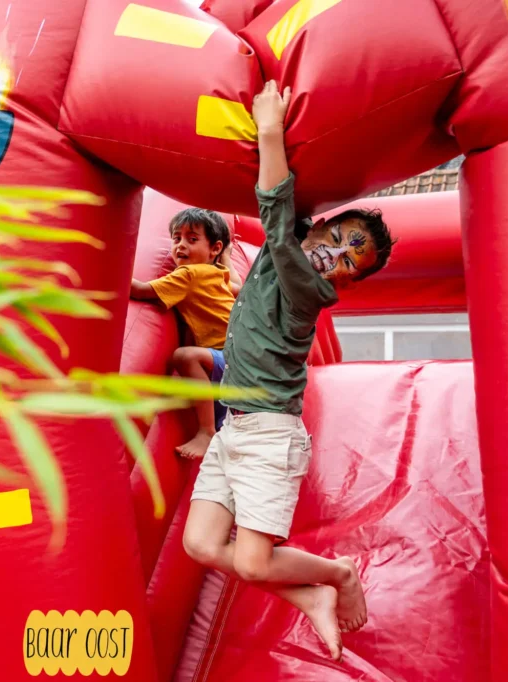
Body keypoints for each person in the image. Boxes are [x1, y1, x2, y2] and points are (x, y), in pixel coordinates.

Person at [182, 80, 396, 662]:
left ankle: (338, 574)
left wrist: (271, 129)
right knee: (200, 544)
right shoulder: (297, 249)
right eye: (343, 239)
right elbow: (289, 220)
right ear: (323, 228)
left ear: (344, 282)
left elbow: (276, 215)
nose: (341, 255)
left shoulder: (309, 289)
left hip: (270, 434)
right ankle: (305, 594)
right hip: (234, 430)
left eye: (353, 261)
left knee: (251, 561)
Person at [130, 208, 242, 458]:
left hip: (234, 360)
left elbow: (140, 290)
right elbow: (238, 286)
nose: (181, 245)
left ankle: (206, 431)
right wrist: (226, 257)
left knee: (185, 356)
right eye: (176, 238)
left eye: (192, 240)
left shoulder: (189, 274)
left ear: (213, 249)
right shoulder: (214, 272)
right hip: (243, 358)